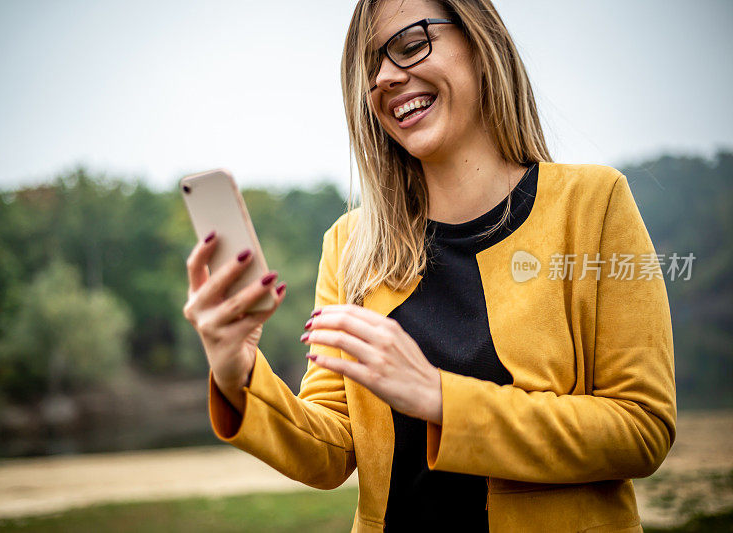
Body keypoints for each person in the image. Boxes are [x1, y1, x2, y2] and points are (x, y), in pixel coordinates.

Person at [182, 0, 677, 531]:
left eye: (411, 44)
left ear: (480, 41)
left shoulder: (595, 204)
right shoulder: (350, 246)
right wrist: (238, 376)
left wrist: (440, 399)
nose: (386, 77)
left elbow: (641, 428)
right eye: (369, 66)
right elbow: (329, 450)